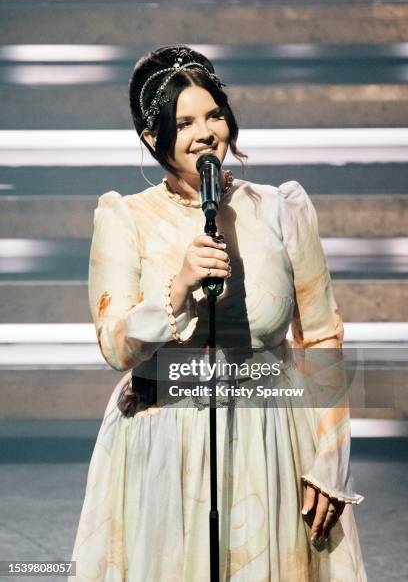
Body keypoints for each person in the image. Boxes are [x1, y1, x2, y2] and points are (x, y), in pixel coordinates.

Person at [69, 45, 367, 581]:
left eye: (214, 114)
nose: (206, 132)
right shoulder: (125, 218)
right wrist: (177, 289)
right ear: (150, 138)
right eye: (184, 122)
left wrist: (331, 459)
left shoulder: (280, 208)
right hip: (164, 444)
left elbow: (321, 336)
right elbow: (115, 347)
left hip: (267, 437)